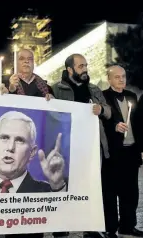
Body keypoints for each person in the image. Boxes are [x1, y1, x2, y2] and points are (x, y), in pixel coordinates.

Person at [52, 53, 111, 238]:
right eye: (80, 66)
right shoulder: (56, 89)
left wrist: (101, 110)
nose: (85, 69)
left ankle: (90, 226)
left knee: (90, 186)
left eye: (86, 65)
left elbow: (108, 112)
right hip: (66, 147)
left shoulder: (93, 89)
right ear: (69, 70)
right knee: (64, 185)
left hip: (91, 148)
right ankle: (61, 226)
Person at [0, 111, 66, 194]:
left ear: (32, 152)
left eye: (20, 140)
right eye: (4, 138)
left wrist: (57, 186)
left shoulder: (49, 192)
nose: (10, 147)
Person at [102, 65, 143, 238]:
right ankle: (110, 228)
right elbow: (100, 121)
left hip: (131, 152)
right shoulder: (103, 97)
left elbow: (140, 123)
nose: (121, 79)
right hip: (113, 153)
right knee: (110, 193)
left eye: (123, 76)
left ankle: (128, 226)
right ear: (109, 79)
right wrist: (114, 126)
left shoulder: (132, 96)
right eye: (117, 77)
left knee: (131, 193)